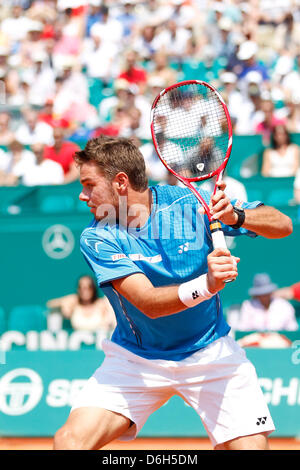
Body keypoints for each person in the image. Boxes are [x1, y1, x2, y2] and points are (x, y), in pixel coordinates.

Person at [53, 137, 292, 450]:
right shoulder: (96, 237)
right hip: (137, 358)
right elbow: (149, 304)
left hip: (211, 351)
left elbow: (283, 224)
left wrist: (235, 216)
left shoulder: (190, 203)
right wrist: (208, 284)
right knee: (69, 443)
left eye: (88, 184)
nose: (83, 196)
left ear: (121, 182)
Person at [47, 275, 116, 333]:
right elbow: (49, 304)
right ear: (78, 289)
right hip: (78, 346)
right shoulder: (74, 303)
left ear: (93, 288)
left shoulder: (102, 304)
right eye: (81, 287)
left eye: (89, 287)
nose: (85, 290)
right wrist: (65, 302)